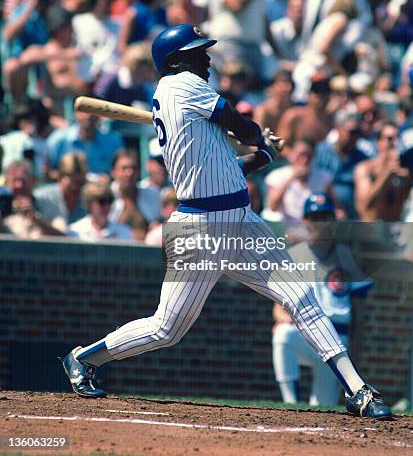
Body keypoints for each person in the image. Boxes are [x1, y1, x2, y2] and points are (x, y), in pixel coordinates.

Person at [61, 23, 392, 420]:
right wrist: (258, 137)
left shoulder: (183, 101)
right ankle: (83, 357)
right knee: (168, 328)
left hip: (239, 220)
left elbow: (225, 170)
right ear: (176, 60)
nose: (207, 57)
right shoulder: (180, 83)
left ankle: (357, 389)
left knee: (300, 294)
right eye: (199, 51)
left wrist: (263, 155)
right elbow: (236, 120)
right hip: (200, 229)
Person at [272, 193, 373, 406]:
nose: (321, 222)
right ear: (305, 220)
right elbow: (278, 309)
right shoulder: (294, 255)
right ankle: (289, 402)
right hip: (304, 333)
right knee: (283, 333)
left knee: (323, 406)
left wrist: (355, 354)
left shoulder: (348, 256)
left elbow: (360, 311)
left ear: (333, 219)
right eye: (315, 216)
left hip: (338, 338)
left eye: (325, 216)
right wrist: (284, 318)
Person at [354, 121, 411, 221]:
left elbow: (400, 206)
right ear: (378, 142)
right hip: (371, 230)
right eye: (390, 139)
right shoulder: (365, 169)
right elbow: (365, 205)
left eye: (397, 138)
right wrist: (386, 173)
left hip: (394, 230)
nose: (395, 143)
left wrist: (408, 180)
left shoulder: (402, 172)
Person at [46, 111, 124, 178]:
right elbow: (47, 171)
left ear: (99, 114)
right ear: (75, 113)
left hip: (102, 191)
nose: (88, 116)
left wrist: (108, 178)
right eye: (84, 111)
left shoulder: (113, 141)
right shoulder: (58, 139)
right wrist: (72, 177)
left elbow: (120, 171)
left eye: (93, 111)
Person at [2, 159, 64, 238]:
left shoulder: (48, 205)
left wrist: (36, 220)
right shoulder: (3, 207)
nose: (19, 185)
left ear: (33, 180)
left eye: (23, 181)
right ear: (7, 183)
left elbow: (64, 238)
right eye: (14, 180)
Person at [34, 152, 88, 232]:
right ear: (60, 177)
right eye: (72, 180)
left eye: (80, 183)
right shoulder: (41, 197)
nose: (76, 188)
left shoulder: (90, 199)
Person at [68, 180, 133, 242]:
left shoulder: (124, 232)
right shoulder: (74, 231)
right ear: (89, 203)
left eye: (109, 201)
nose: (107, 206)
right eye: (102, 201)